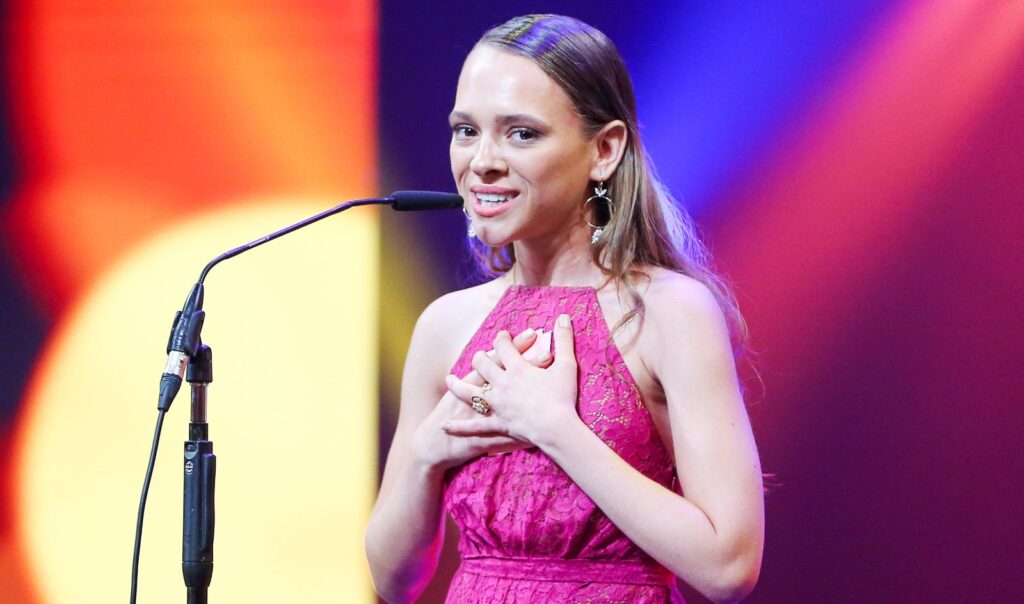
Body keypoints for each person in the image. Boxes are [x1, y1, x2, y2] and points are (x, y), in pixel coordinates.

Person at [365, 14, 764, 604]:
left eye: (521, 133)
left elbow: (729, 567)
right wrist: (427, 454)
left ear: (604, 149)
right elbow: (393, 582)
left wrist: (554, 428)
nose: (482, 161)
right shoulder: (447, 324)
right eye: (466, 130)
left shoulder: (669, 311)